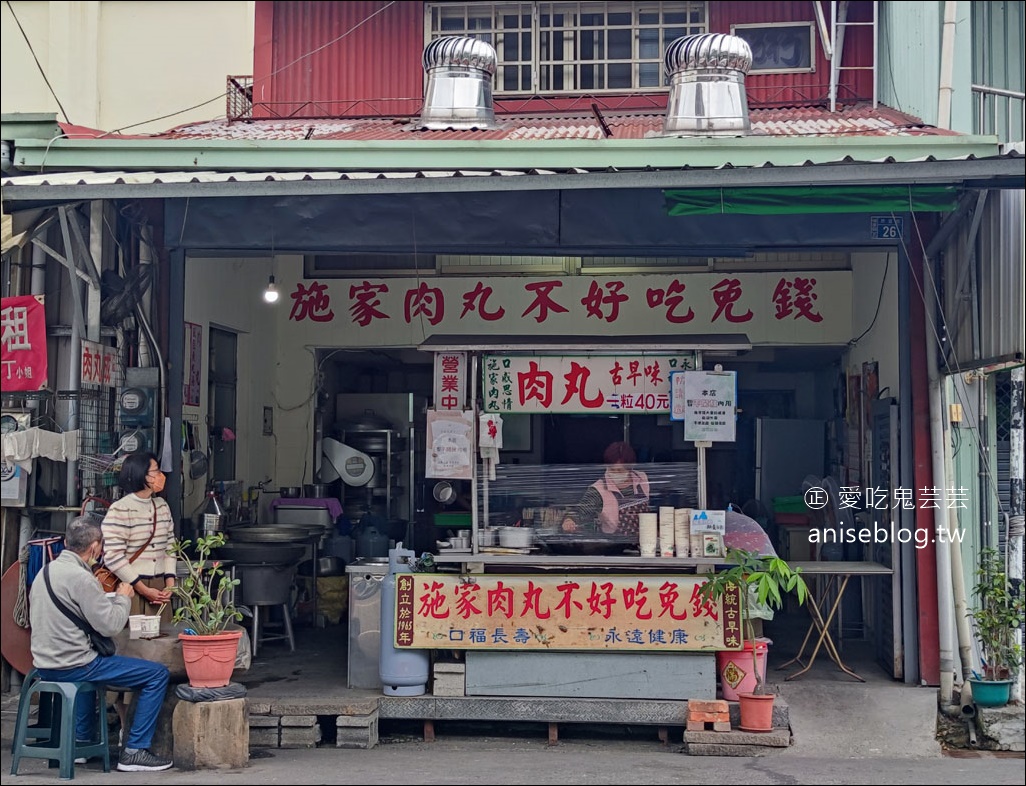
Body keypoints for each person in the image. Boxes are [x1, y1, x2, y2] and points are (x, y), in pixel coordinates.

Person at [28, 515, 173, 772]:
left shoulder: (46, 571)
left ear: (65, 542)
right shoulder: (81, 578)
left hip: (44, 664)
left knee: (87, 670)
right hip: (75, 664)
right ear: (96, 547)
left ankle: (81, 742)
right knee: (156, 674)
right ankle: (135, 751)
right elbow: (110, 626)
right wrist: (123, 598)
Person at [101, 452, 177, 622]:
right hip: (131, 589)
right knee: (132, 643)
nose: (160, 476)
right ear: (141, 476)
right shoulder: (120, 509)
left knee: (161, 642)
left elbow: (171, 546)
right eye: (155, 472)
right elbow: (113, 557)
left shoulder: (162, 506)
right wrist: (143, 589)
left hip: (160, 587)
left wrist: (170, 585)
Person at [561, 441, 651, 538]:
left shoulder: (642, 479)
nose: (616, 474)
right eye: (612, 469)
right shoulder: (598, 489)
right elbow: (581, 512)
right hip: (617, 548)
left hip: (646, 545)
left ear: (630, 467)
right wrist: (569, 520)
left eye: (620, 471)